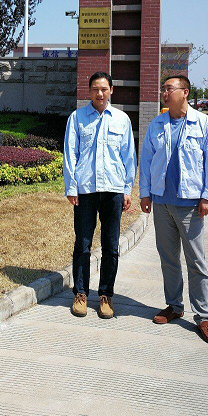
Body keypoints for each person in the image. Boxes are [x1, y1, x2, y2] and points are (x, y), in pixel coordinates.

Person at [139, 75, 208, 344]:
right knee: (168, 258)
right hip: (162, 202)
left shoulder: (203, 123)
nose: (164, 92)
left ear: (185, 92)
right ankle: (174, 306)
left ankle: (204, 316)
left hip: (190, 204)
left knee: (196, 260)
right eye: (163, 88)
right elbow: (147, 160)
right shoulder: (157, 124)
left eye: (169, 88)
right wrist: (145, 193)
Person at [63, 71, 136, 319]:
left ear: (111, 90)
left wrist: (127, 189)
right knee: (83, 244)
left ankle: (106, 295)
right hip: (85, 190)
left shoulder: (122, 119)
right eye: (95, 89)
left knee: (111, 246)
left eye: (104, 89)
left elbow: (129, 156)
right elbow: (70, 153)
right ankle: (81, 294)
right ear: (89, 91)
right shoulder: (77, 118)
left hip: (113, 190)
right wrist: (71, 187)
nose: (100, 93)